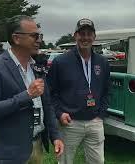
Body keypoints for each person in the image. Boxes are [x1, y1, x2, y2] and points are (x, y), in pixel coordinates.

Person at [0, 15, 64, 163]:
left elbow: (47, 105)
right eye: (34, 35)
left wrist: (55, 136)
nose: (39, 39)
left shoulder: (37, 66)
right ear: (16, 38)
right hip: (9, 151)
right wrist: (27, 95)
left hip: (37, 146)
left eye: (40, 35)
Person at [47, 18, 110, 164]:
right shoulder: (61, 62)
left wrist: (101, 114)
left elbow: (107, 91)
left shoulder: (102, 62)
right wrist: (59, 113)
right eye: (82, 33)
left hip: (95, 122)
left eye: (89, 34)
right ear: (75, 35)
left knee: (98, 161)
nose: (85, 37)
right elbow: (51, 93)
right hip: (70, 123)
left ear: (94, 36)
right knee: (64, 161)